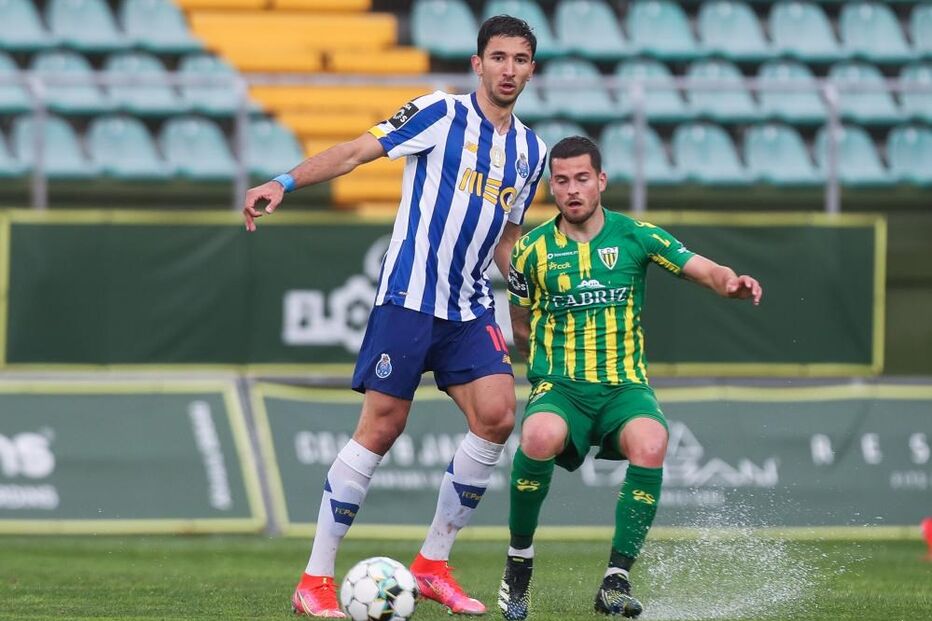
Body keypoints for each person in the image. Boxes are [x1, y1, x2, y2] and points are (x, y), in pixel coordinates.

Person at [243, 15, 547, 618]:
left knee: (497, 415)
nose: (508, 69)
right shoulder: (440, 112)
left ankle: (433, 565)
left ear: (531, 68)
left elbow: (508, 238)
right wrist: (284, 182)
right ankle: (315, 579)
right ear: (477, 64)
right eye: (499, 57)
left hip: (467, 305)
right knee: (382, 427)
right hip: (409, 295)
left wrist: (522, 298)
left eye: (520, 59)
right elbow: (358, 150)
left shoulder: (531, 152)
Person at [497, 136, 763, 620]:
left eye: (582, 178)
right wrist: (542, 372)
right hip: (562, 386)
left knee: (652, 440)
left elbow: (700, 267)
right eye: (561, 181)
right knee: (538, 435)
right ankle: (518, 566)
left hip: (624, 387)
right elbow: (520, 323)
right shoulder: (530, 251)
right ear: (550, 188)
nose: (573, 189)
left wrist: (730, 282)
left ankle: (616, 579)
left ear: (601, 180)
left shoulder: (637, 236)